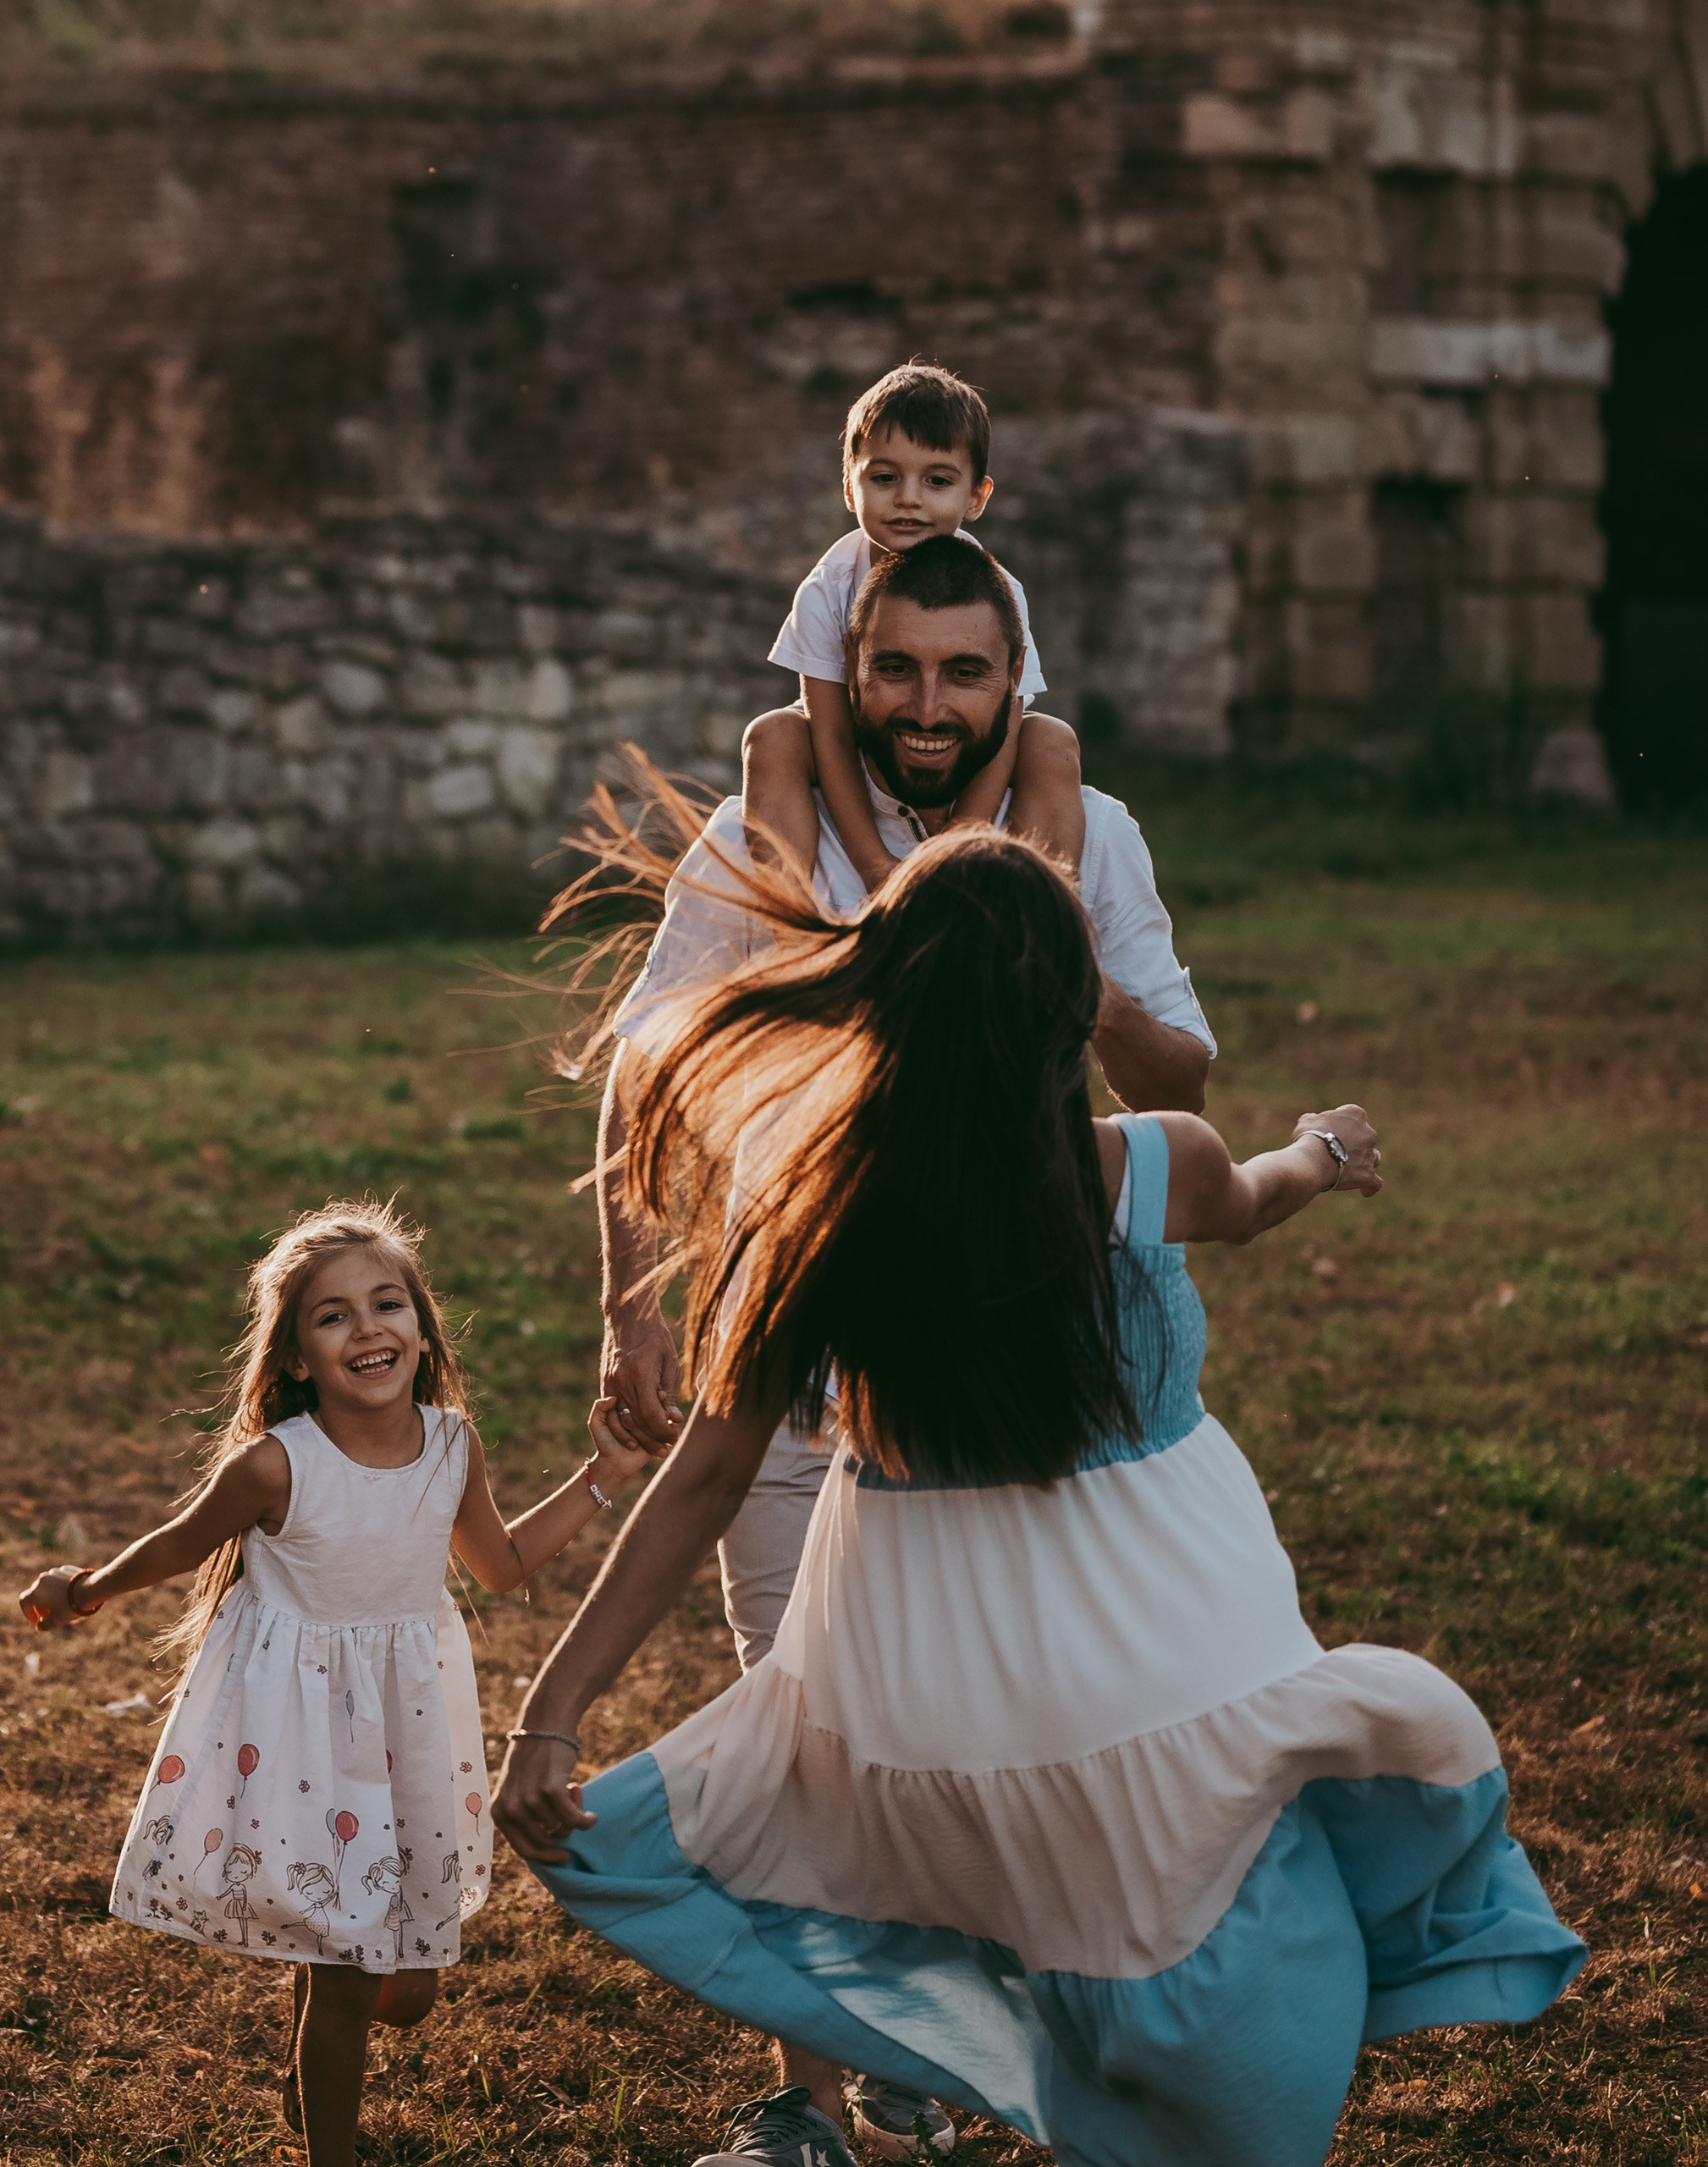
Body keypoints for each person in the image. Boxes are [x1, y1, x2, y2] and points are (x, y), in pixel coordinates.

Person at [497, 827, 1585, 2167]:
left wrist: (554, 1715)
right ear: (1073, 1010)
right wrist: (1322, 1145)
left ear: (880, 993)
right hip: (1165, 1629)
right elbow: (1253, 1200)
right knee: (1225, 1887)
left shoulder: (812, 1210)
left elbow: (707, 1472)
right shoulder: (1148, 1164)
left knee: (1025, 1896)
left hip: (944, 1674)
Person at [592, 529, 1213, 2157]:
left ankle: (923, 2075)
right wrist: (630, 1301)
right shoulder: (761, 829)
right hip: (788, 1336)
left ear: (1016, 682)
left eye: (963, 672)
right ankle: (805, 2111)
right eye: (895, 668)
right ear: (848, 670)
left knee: (964, 1736)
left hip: (994, 1378)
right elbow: (648, 1061)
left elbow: (1183, 1087)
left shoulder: (1094, 836)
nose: (927, 703)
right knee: (800, 1726)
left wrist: (1051, 955)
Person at [16, 1200, 656, 2167]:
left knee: (407, 1989)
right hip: (301, 1731)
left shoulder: (452, 1447)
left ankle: (319, 2054)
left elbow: (504, 1565)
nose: (367, 1329)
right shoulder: (277, 1466)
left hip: (409, 1723)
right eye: (333, 1316)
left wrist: (602, 1474)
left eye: (387, 1303)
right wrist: (85, 1589)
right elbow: (179, 1542)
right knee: (353, 1974)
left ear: (423, 1331)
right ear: (295, 1360)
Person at [741, 361, 1084, 888]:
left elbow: (1006, 722)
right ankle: (782, 915)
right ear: (851, 488)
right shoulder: (826, 590)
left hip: (954, 741)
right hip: (862, 740)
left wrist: (953, 849)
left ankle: (1043, 912)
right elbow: (830, 732)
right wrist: (876, 866)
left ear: (976, 497)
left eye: (937, 481)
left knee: (1052, 741)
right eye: (884, 478)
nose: (908, 498)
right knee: (771, 736)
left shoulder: (999, 592)